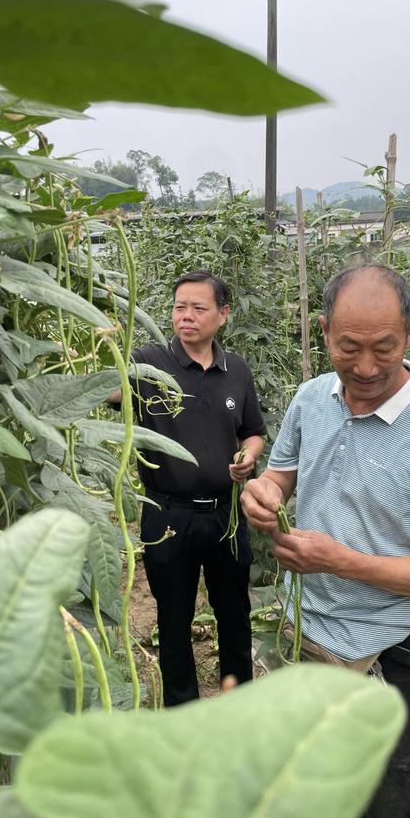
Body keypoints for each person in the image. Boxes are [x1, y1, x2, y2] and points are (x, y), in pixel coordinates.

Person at [240, 262, 410, 818]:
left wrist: (343, 562)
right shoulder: (310, 399)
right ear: (324, 331)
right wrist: (266, 493)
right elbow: (280, 475)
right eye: (348, 347)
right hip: (304, 638)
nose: (366, 367)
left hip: (392, 656)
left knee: (385, 803)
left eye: (385, 347)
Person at [123, 270, 265, 706]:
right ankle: (182, 710)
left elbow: (253, 431)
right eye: (179, 307)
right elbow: (107, 390)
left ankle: (236, 701)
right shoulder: (149, 364)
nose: (186, 316)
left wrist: (250, 456)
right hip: (168, 515)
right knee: (174, 615)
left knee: (234, 613)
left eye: (198, 308)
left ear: (223, 315)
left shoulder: (236, 370)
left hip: (226, 513)